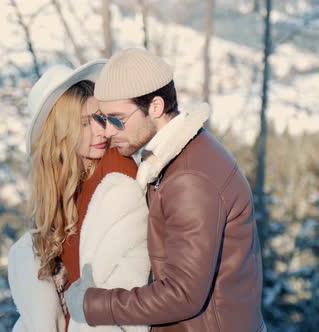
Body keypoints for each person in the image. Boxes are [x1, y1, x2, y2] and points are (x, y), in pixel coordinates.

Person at [65, 48, 266, 332]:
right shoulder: (178, 158)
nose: (108, 131)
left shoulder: (189, 178)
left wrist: (90, 304)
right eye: (103, 119)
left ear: (156, 107)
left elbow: (183, 295)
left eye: (118, 119)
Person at [8, 60, 150, 332]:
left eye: (100, 118)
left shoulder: (116, 172)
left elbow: (124, 289)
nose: (101, 131)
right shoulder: (68, 188)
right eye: (85, 123)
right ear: (61, 134)